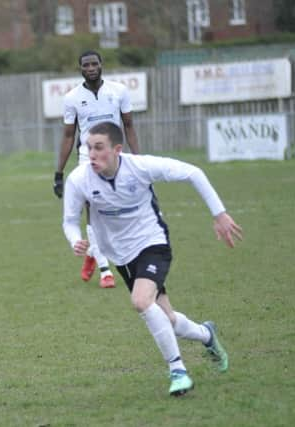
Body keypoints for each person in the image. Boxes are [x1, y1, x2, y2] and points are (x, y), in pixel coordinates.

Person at [62, 122, 242, 396]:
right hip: (120, 255)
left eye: (99, 147)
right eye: (89, 148)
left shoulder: (140, 166)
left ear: (117, 150)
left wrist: (219, 214)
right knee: (166, 318)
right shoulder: (79, 179)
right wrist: (75, 240)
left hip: (152, 242)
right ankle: (207, 335)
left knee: (141, 301)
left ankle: (178, 371)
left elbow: (194, 173)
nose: (92, 154)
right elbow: (69, 221)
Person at [53, 50, 140, 289]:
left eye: (94, 64)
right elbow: (69, 136)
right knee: (93, 207)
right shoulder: (72, 98)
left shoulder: (119, 91)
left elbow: (130, 126)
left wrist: (139, 160)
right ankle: (105, 271)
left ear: (101, 65)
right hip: (87, 158)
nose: (91, 68)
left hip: (115, 155)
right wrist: (59, 173)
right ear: (80, 68)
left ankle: (93, 251)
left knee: (117, 207)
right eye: (86, 65)